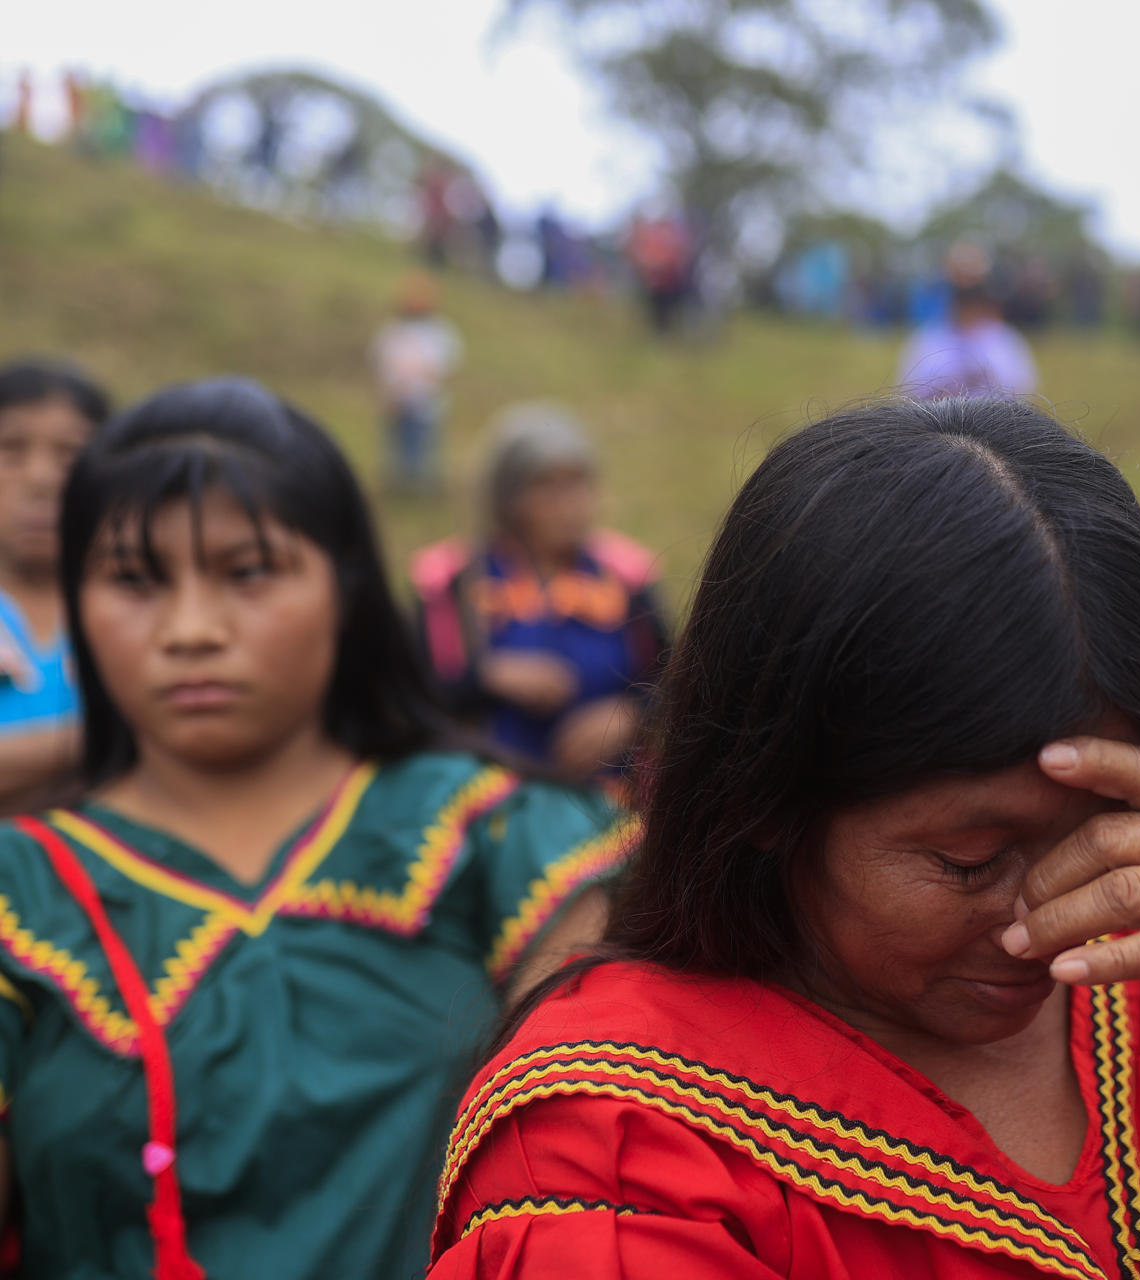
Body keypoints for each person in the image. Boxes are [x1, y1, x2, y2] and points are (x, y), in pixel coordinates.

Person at [426, 399, 1140, 1279]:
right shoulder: (616, 1133)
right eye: (968, 859)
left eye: (1108, 829)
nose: (1047, 916)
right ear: (769, 800)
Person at [0, 379, 624, 1278]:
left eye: (249, 572)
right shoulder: (22, 896)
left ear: (346, 586)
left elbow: (590, 1179)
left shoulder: (497, 837)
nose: (191, 629)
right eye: (133, 580)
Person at [412, 404, 670, 780]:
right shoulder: (454, 580)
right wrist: (488, 678)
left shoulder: (625, 575)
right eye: (547, 487)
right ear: (509, 499)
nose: (569, 504)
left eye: (579, 484)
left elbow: (675, 680)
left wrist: (629, 717)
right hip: (489, 795)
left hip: (611, 797)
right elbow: (413, 695)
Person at [0, 359, 110, 811]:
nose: (43, 480)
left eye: (69, 454)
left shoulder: (135, 609)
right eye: (11, 450)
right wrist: (116, 738)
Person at [370, 272, 462, 493]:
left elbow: (444, 366)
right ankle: (399, 488)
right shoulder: (393, 331)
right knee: (396, 449)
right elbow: (381, 362)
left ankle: (421, 490)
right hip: (397, 401)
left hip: (425, 405)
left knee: (423, 450)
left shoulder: (440, 332)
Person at [895, 284, 1039, 399]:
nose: (968, 315)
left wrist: (985, 378)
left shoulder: (1004, 338)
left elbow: (1025, 386)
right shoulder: (928, 338)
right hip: (938, 421)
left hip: (995, 421)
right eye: (963, 307)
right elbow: (908, 388)